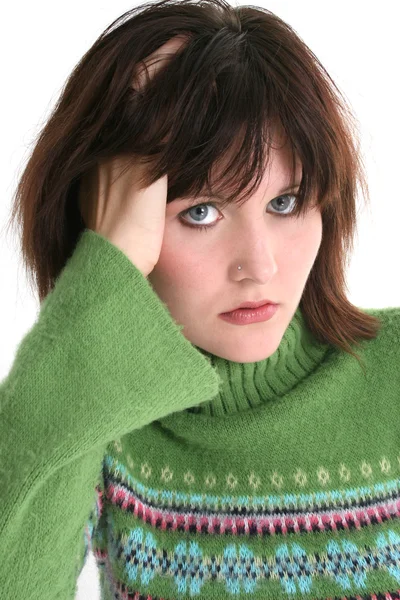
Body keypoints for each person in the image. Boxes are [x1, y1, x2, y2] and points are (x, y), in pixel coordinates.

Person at [1, 1, 399, 598]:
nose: (259, 266)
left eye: (285, 203)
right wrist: (105, 273)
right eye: (201, 212)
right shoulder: (96, 413)